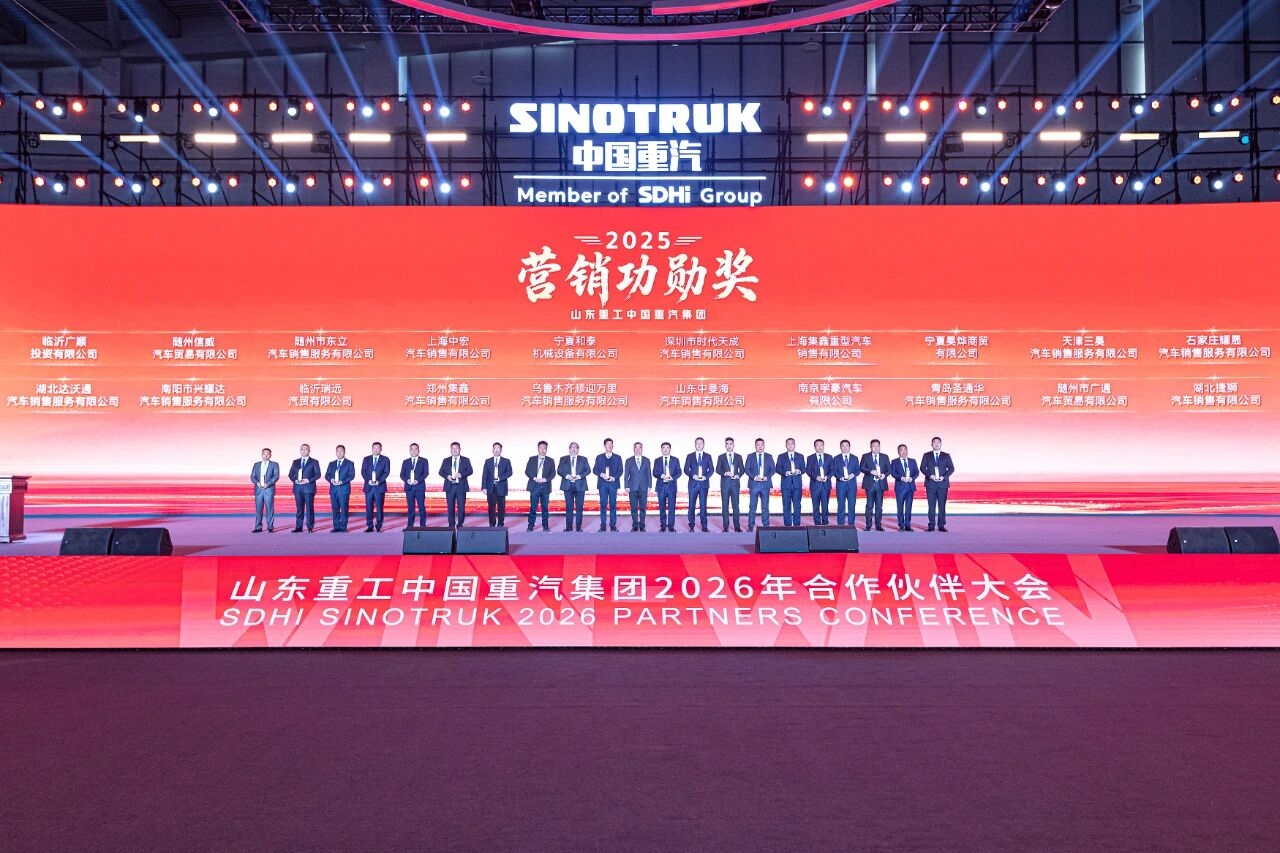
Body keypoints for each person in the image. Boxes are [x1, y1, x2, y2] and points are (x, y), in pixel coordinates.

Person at [919, 436, 956, 532]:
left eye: (938, 442)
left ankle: (941, 525)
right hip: (930, 484)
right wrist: (930, 476)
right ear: (931, 444)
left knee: (942, 506)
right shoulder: (926, 455)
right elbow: (922, 468)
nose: (936, 444)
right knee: (931, 506)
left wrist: (944, 477)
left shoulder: (946, 455)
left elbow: (951, 468)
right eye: (934, 442)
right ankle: (931, 525)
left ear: (941, 444)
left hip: (942, 484)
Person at [439, 442, 473, 529]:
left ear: (460, 449)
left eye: (456, 448)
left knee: (461, 507)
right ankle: (451, 524)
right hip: (450, 487)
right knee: (450, 507)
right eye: (453, 448)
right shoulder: (446, 460)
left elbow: (470, 471)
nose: (455, 450)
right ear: (450, 450)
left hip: (461, 487)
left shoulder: (465, 460)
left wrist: (462, 475)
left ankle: (460, 524)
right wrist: (447, 476)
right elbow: (441, 472)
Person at [558, 442, 591, 532]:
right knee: (569, 507)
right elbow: (559, 470)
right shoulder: (563, 459)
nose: (573, 449)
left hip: (580, 485)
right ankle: (568, 527)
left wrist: (579, 476)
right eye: (572, 447)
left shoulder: (583, 459)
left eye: (576, 447)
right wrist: (567, 476)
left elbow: (588, 470)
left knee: (579, 507)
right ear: (569, 449)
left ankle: (578, 527)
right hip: (567, 485)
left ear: (578, 450)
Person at [288, 443, 320, 533]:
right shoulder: (295, 462)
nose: (304, 451)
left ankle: (310, 527)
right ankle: (299, 527)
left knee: (309, 508)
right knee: (299, 508)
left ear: (309, 451)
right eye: (302, 449)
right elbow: (290, 474)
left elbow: (318, 474)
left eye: (306, 449)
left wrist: (308, 480)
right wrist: (295, 480)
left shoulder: (314, 462)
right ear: (300, 450)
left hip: (309, 488)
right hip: (298, 488)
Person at [683, 437, 713, 532]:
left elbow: (711, 469)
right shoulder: (690, 456)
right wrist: (693, 476)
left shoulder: (708, 456)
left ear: (703, 444)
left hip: (704, 484)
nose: (699, 445)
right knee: (691, 505)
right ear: (695, 444)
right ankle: (691, 526)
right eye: (697, 443)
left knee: (703, 506)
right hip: (693, 484)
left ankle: (704, 526)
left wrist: (706, 477)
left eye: (701, 443)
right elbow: (686, 469)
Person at [860, 439, 891, 532]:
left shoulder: (885, 457)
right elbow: (861, 468)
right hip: (870, 484)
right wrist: (870, 471)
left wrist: (884, 475)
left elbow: (889, 469)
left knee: (879, 506)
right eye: (873, 446)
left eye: (877, 446)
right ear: (870, 447)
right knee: (869, 506)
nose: (876, 448)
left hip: (880, 484)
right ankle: (868, 525)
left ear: (880, 447)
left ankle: (878, 525)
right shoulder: (865, 456)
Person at [716, 437, 745, 533]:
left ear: (733, 445)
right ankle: (725, 527)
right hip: (725, 484)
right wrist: (724, 473)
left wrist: (738, 475)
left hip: (735, 484)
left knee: (736, 506)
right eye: (727, 444)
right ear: (725, 445)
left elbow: (742, 469)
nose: (729, 445)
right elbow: (717, 469)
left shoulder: (738, 457)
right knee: (725, 506)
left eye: (730, 443)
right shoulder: (721, 457)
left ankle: (737, 527)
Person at [593, 438, 622, 532]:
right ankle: (603, 526)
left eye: (611, 444)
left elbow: (620, 471)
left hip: (613, 484)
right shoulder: (599, 457)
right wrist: (601, 474)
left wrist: (614, 477)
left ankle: (613, 525)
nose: (610, 446)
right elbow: (595, 470)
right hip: (602, 484)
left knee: (613, 505)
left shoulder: (618, 457)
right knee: (603, 505)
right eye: (608, 444)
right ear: (604, 446)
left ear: (613, 446)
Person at [745, 438, 775, 531]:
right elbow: (747, 469)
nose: (760, 446)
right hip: (754, 484)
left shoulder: (769, 456)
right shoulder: (750, 456)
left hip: (765, 484)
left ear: (764, 445)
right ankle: (750, 526)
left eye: (762, 444)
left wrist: (767, 477)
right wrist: (754, 477)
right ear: (755, 446)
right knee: (752, 507)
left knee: (765, 507)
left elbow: (773, 469)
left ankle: (766, 525)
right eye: (758, 444)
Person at [361, 441, 390, 532]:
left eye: (378, 448)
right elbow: (363, 472)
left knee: (379, 507)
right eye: (374, 448)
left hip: (379, 487)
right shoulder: (366, 459)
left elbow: (386, 472)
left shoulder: (385, 459)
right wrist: (368, 480)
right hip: (369, 487)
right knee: (369, 507)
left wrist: (379, 481)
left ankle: (379, 526)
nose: (376, 449)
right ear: (372, 449)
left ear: (381, 449)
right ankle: (369, 526)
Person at [481, 442, 512, 528]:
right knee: (491, 507)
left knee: (501, 507)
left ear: (501, 450)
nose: (496, 450)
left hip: (501, 487)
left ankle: (500, 523)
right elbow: (484, 475)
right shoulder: (488, 461)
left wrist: (500, 478)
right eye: (495, 448)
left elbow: (509, 472)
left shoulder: (506, 461)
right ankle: (492, 523)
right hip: (490, 488)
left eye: (498, 448)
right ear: (492, 450)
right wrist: (483, 487)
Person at [324, 445, 354, 533]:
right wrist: (331, 480)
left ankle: (343, 527)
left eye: (341, 451)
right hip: (333, 490)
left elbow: (351, 475)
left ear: (344, 452)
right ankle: (336, 526)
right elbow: (327, 475)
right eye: (338, 451)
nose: (339, 453)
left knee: (344, 509)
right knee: (335, 509)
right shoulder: (331, 464)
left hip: (344, 489)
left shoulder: (349, 463)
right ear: (335, 452)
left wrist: (342, 482)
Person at [890, 444, 919, 532]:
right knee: (900, 507)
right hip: (900, 487)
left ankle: (908, 525)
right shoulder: (894, 462)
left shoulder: (912, 461)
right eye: (901, 450)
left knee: (908, 507)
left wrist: (912, 478)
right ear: (898, 452)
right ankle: (901, 525)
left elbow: (917, 472)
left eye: (905, 450)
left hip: (910, 487)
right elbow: (893, 473)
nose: (904, 452)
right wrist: (901, 478)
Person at [525, 441, 554, 532]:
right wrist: (534, 478)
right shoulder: (532, 459)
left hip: (545, 486)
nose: (542, 450)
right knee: (533, 507)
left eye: (544, 448)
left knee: (545, 508)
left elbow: (553, 473)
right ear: (538, 449)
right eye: (541, 448)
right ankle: (530, 526)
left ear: (546, 449)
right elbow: (527, 471)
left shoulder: (550, 460)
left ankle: (545, 526)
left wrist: (545, 479)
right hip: (535, 486)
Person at [624, 442, 652, 532]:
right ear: (633, 449)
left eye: (639, 447)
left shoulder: (647, 460)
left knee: (643, 507)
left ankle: (642, 525)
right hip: (632, 487)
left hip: (644, 487)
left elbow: (649, 473)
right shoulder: (629, 460)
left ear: (642, 449)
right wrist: (626, 485)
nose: (638, 449)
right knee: (634, 507)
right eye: (636, 447)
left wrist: (650, 485)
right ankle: (635, 525)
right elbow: (626, 474)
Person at [777, 437, 805, 527]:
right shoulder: (781, 456)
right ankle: (787, 526)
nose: (790, 445)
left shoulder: (800, 456)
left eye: (792, 443)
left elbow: (804, 469)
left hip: (797, 485)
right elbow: (777, 468)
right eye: (788, 444)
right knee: (786, 506)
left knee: (797, 506)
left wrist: (799, 471)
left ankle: (797, 525)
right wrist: (785, 473)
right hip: (786, 485)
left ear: (794, 445)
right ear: (786, 445)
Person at [250, 447, 279, 533]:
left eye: (267, 454)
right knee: (258, 509)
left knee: (269, 509)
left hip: (269, 489)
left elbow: (276, 476)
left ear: (270, 455)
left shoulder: (274, 464)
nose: (265, 456)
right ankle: (258, 527)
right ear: (261, 455)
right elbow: (252, 476)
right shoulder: (256, 464)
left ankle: (270, 527)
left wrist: (268, 484)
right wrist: (257, 483)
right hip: (258, 490)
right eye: (264, 454)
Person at [654, 442, 681, 533]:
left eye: (667, 448)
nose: (665, 449)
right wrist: (661, 475)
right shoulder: (657, 460)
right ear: (661, 449)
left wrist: (672, 477)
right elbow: (654, 472)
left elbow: (679, 472)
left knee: (671, 507)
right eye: (663, 448)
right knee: (662, 507)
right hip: (661, 487)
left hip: (671, 486)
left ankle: (671, 526)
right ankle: (663, 526)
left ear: (670, 449)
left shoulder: (675, 460)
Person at [400, 443, 428, 528]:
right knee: (410, 508)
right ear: (409, 451)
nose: (414, 451)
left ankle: (423, 526)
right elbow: (402, 474)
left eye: (415, 449)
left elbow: (425, 473)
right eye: (412, 449)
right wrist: (407, 480)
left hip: (419, 487)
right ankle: (410, 526)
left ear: (419, 450)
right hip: (409, 488)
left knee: (421, 507)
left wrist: (418, 481)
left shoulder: (424, 461)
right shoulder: (405, 461)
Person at [806, 439, 833, 526]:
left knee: (825, 505)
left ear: (823, 446)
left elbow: (832, 469)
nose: (820, 447)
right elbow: (808, 470)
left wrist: (827, 477)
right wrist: (815, 477)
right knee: (815, 506)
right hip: (815, 485)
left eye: (821, 445)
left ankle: (825, 522)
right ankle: (817, 523)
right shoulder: (810, 458)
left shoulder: (829, 457)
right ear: (815, 447)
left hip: (826, 485)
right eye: (817, 445)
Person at [833, 439, 858, 526]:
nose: (845, 447)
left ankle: (851, 524)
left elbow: (858, 470)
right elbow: (834, 471)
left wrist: (853, 475)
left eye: (847, 446)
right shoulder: (836, 458)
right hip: (841, 485)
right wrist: (840, 477)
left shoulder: (855, 458)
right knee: (841, 505)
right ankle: (840, 525)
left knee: (852, 505)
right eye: (843, 446)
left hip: (852, 485)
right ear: (840, 447)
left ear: (849, 447)